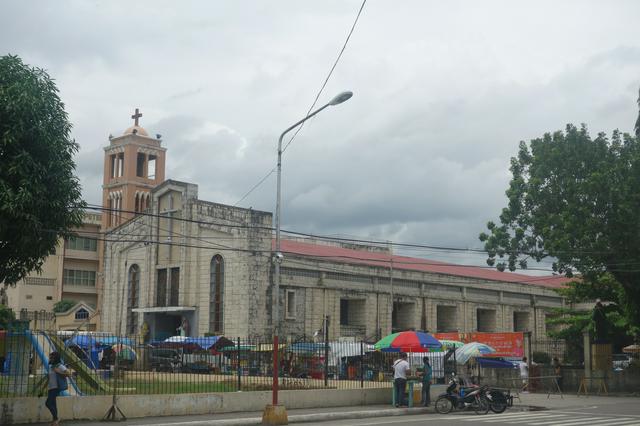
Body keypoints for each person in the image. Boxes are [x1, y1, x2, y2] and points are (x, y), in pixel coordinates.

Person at [45, 351, 74, 426]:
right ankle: (55, 422)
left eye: (52, 357)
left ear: (56, 358)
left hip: (56, 388)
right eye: (50, 357)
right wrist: (43, 388)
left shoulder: (60, 366)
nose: (50, 358)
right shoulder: (52, 367)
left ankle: (56, 418)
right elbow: (49, 379)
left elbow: (68, 374)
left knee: (48, 403)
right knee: (53, 404)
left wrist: (58, 372)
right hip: (51, 388)